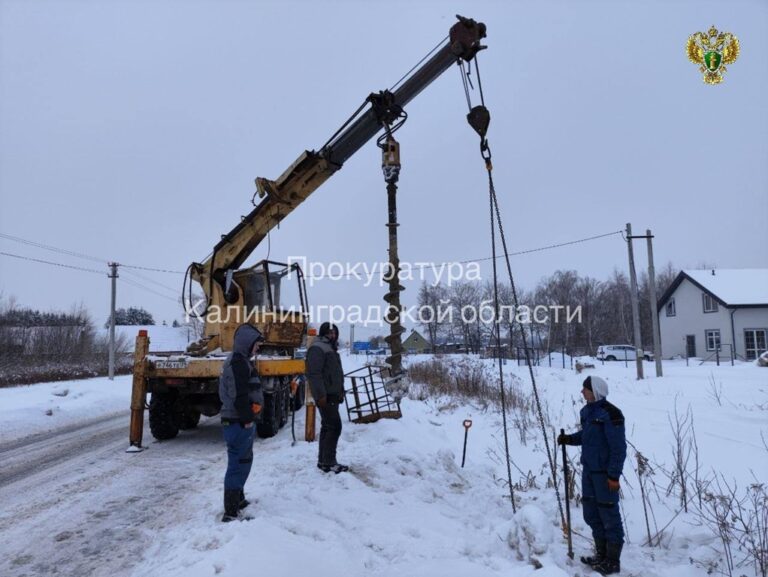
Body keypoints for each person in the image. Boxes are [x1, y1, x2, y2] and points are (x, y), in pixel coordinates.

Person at [558, 376, 627, 575]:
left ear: (595, 391)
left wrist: (613, 476)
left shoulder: (611, 414)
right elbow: (587, 436)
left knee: (609, 516)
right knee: (591, 514)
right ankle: (601, 555)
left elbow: (618, 448)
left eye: (585, 389)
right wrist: (569, 439)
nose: (582, 392)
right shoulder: (588, 412)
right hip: (589, 471)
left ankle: (612, 561)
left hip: (605, 475)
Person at [218, 323, 265, 522]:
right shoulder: (238, 363)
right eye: (256, 344)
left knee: (243, 460)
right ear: (247, 342)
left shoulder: (241, 361)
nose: (258, 347)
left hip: (238, 420)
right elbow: (239, 395)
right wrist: (247, 418)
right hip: (237, 421)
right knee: (237, 463)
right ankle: (230, 512)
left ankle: (238, 499)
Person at [307, 322, 348, 473]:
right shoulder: (318, 348)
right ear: (323, 333)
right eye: (330, 332)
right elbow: (314, 374)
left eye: (334, 333)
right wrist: (320, 395)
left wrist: (340, 390)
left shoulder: (330, 348)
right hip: (325, 395)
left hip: (332, 394)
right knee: (335, 426)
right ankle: (329, 462)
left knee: (327, 426)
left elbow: (335, 373)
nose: (333, 335)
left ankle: (323, 461)